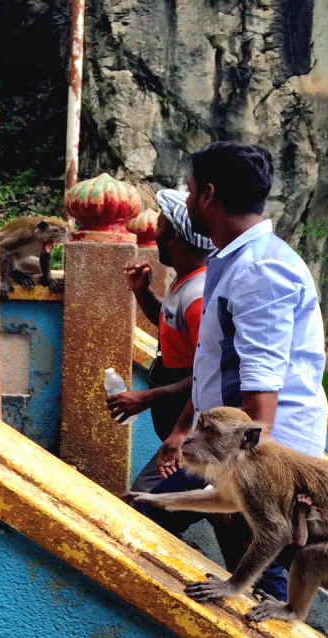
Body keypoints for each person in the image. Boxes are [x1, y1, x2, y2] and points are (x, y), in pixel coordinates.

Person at [133, 141, 327, 600]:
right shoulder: (236, 260)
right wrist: (185, 431)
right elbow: (214, 369)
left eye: (191, 187)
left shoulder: (259, 269)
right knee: (150, 513)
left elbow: (261, 392)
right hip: (233, 444)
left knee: (263, 569)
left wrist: (239, 476)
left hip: (261, 452)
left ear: (208, 195)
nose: (187, 195)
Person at [106, 189, 212, 493]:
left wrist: (147, 398)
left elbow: (208, 374)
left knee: (145, 505)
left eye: (161, 224)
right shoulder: (186, 280)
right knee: (211, 510)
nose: (155, 230)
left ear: (175, 236)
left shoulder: (198, 297)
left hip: (194, 431)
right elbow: (169, 324)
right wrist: (143, 291)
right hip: (186, 428)